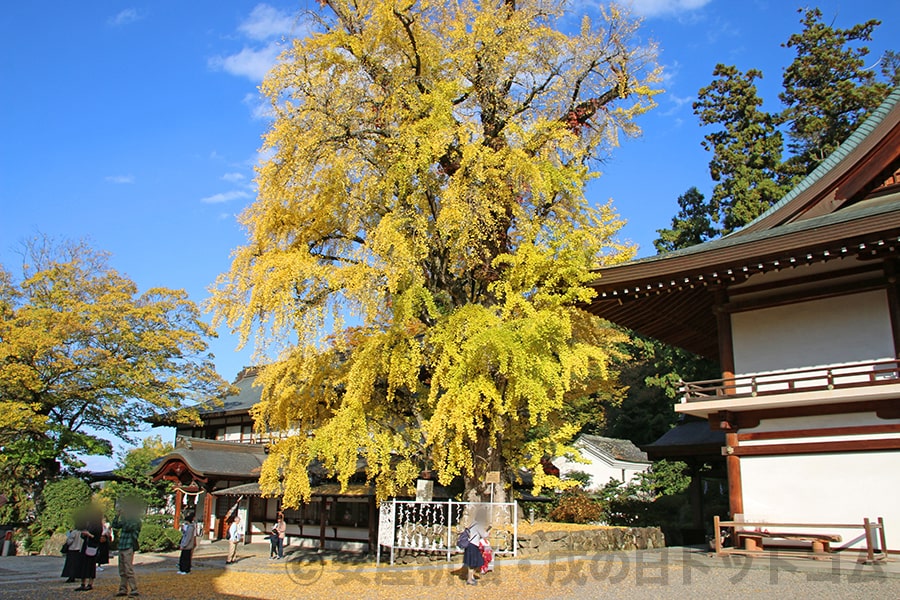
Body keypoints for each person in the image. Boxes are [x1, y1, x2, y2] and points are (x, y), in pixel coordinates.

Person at [112, 503, 143, 597]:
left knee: (128, 568)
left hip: (129, 545)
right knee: (122, 569)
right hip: (122, 545)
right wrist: (117, 516)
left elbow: (127, 527)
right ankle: (123, 588)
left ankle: (134, 589)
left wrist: (123, 516)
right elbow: (115, 525)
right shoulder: (126, 520)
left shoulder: (136, 521)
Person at [76, 509, 102, 591]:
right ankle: (82, 583)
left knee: (90, 565)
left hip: (92, 546)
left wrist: (89, 534)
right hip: (86, 545)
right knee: (83, 565)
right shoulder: (89, 524)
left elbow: (97, 538)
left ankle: (90, 583)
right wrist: (84, 534)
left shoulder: (98, 526)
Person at [461, 511, 490, 586]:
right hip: (473, 546)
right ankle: (469, 579)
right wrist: (488, 531)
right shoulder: (478, 525)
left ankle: (470, 576)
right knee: (474, 563)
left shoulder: (473, 523)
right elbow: (484, 535)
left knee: (473, 562)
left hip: (469, 545)